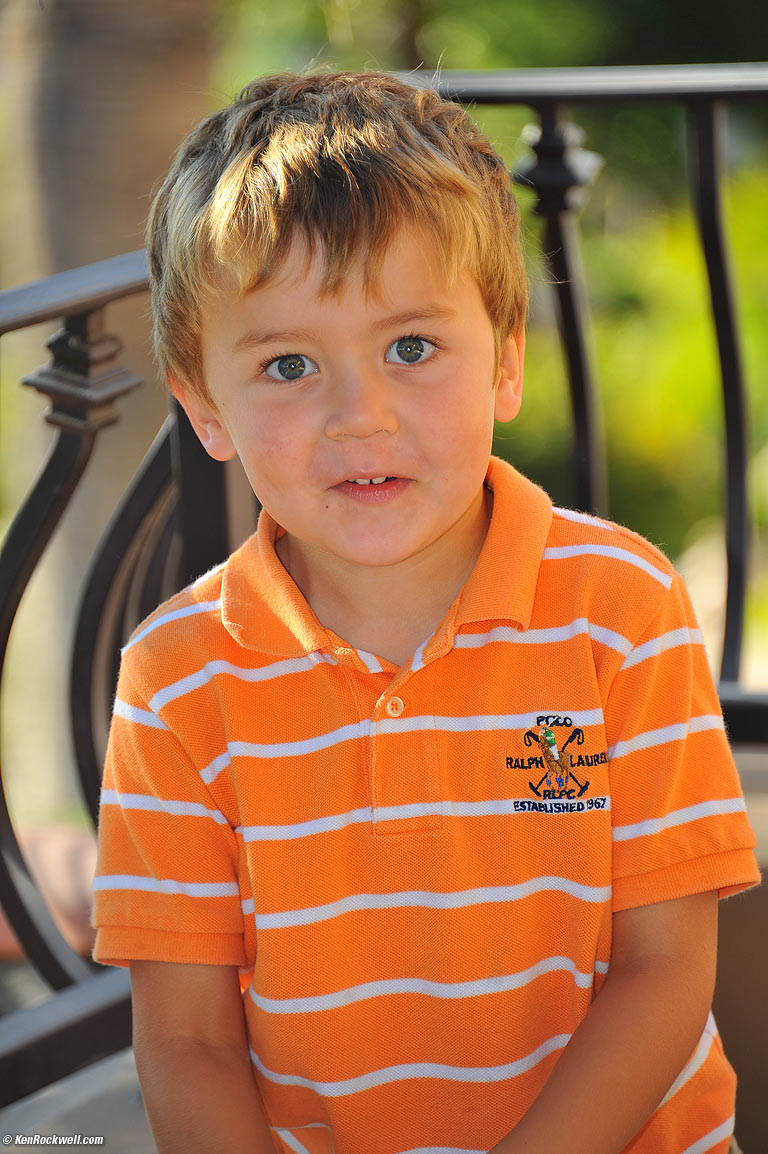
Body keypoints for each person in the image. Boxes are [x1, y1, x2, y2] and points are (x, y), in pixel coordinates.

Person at [91, 70, 760, 1154]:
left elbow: (665, 969)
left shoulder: (622, 608)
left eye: (410, 348)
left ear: (505, 359)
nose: (362, 417)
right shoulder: (175, 681)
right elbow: (186, 1043)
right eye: (291, 364)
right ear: (205, 404)